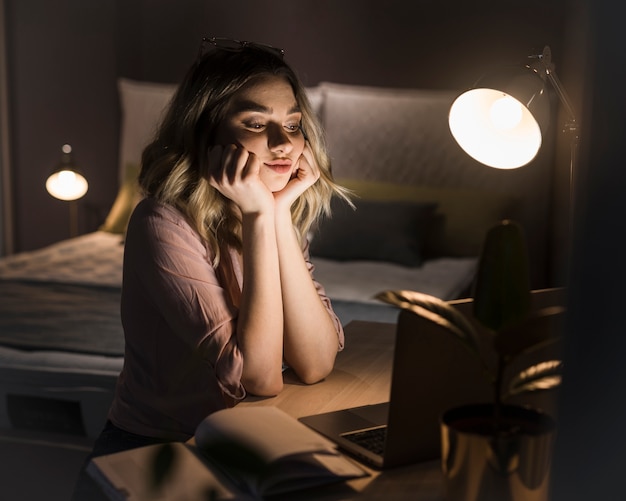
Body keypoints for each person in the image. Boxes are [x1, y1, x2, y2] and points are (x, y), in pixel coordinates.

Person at [88, 37, 350, 461]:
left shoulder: (270, 207)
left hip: (244, 441)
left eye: (293, 123)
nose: (283, 143)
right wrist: (261, 217)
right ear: (207, 133)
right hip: (157, 452)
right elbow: (259, 378)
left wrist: (276, 216)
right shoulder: (161, 222)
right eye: (254, 123)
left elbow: (316, 363)